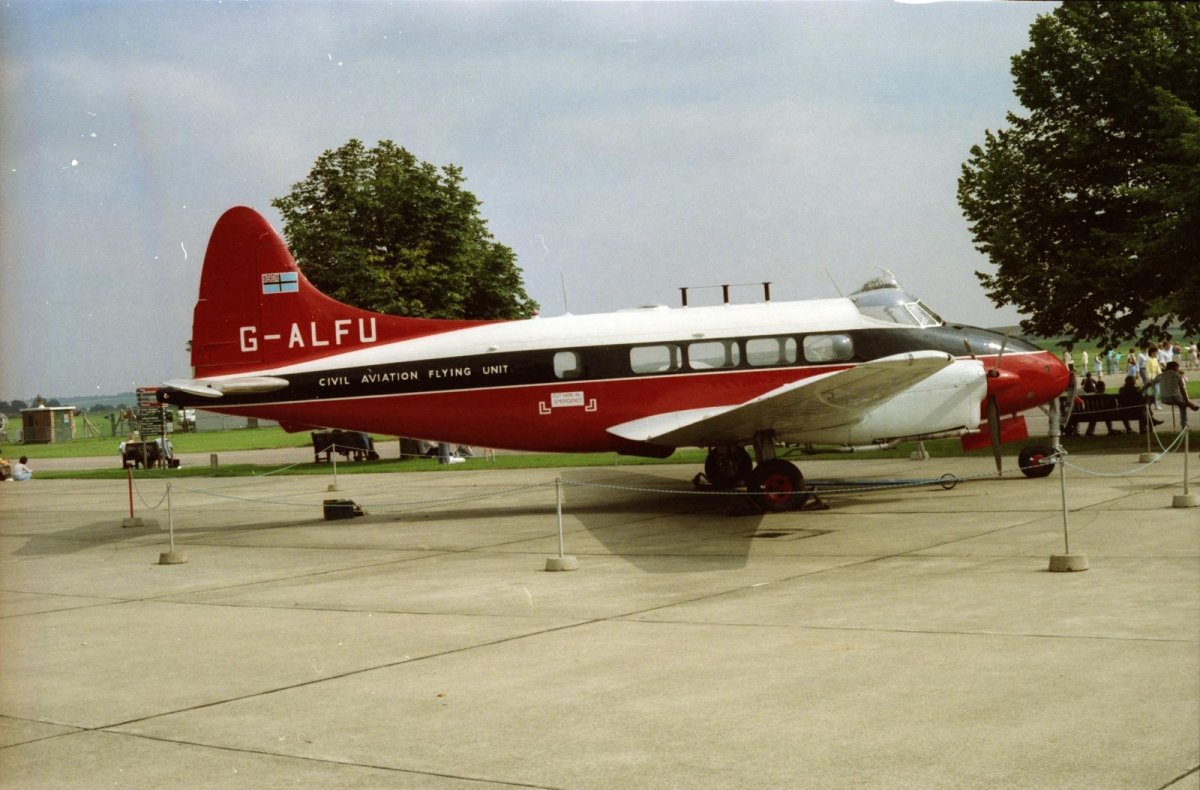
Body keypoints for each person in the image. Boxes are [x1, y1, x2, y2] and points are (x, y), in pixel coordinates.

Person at [1156, 361, 1199, 428]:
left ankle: (1190, 405)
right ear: (1173, 367)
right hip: (1174, 397)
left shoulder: (1160, 375)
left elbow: (1150, 383)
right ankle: (1184, 425)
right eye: (1177, 368)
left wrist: (1142, 390)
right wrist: (1187, 402)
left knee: (1183, 404)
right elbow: (1182, 390)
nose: (1178, 369)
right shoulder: (1176, 375)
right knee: (1183, 405)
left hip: (1164, 398)